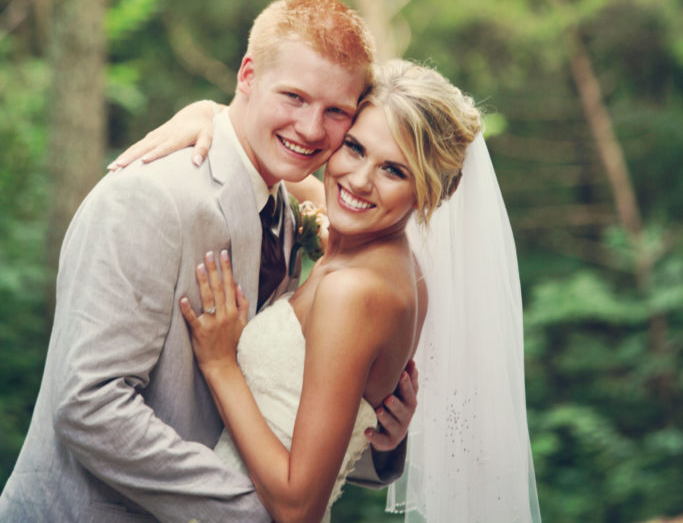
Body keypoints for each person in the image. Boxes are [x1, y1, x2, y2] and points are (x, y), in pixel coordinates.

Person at [0, 0, 415, 523]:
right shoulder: (151, 198)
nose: (311, 129)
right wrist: (256, 512)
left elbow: (276, 409)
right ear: (247, 75)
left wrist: (378, 438)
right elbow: (89, 406)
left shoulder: (292, 210)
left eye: (336, 111)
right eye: (293, 96)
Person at [116, 61, 542, 523]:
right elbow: (276, 156)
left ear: (429, 195)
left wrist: (221, 366)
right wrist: (207, 115)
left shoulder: (354, 292)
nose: (359, 180)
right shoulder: (374, 248)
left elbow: (299, 506)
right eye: (355, 147)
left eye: (394, 171)